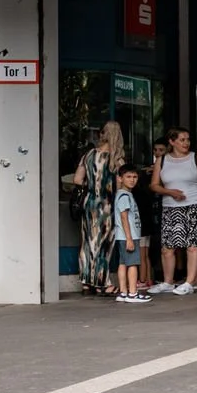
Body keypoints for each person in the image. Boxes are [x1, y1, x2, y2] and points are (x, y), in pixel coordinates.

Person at [150, 126, 197, 295]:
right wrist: (169, 192)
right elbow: (154, 184)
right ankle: (168, 282)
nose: (186, 143)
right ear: (172, 141)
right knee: (167, 247)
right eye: (182, 140)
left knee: (192, 245)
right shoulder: (162, 160)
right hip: (170, 206)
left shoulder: (196, 158)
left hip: (193, 204)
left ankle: (190, 281)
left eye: (188, 139)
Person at [71, 122, 124, 296]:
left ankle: (87, 283)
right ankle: (104, 283)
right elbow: (120, 184)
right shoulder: (116, 159)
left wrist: (92, 185)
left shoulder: (88, 155)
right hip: (106, 205)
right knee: (103, 244)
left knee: (88, 243)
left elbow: (77, 180)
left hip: (89, 202)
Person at [112, 163, 151, 304]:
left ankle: (123, 292)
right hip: (129, 236)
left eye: (134, 177)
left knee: (123, 263)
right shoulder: (124, 196)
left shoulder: (124, 194)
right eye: (128, 177)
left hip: (123, 236)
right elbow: (124, 217)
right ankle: (133, 293)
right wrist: (129, 238)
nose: (132, 180)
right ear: (120, 178)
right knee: (133, 264)